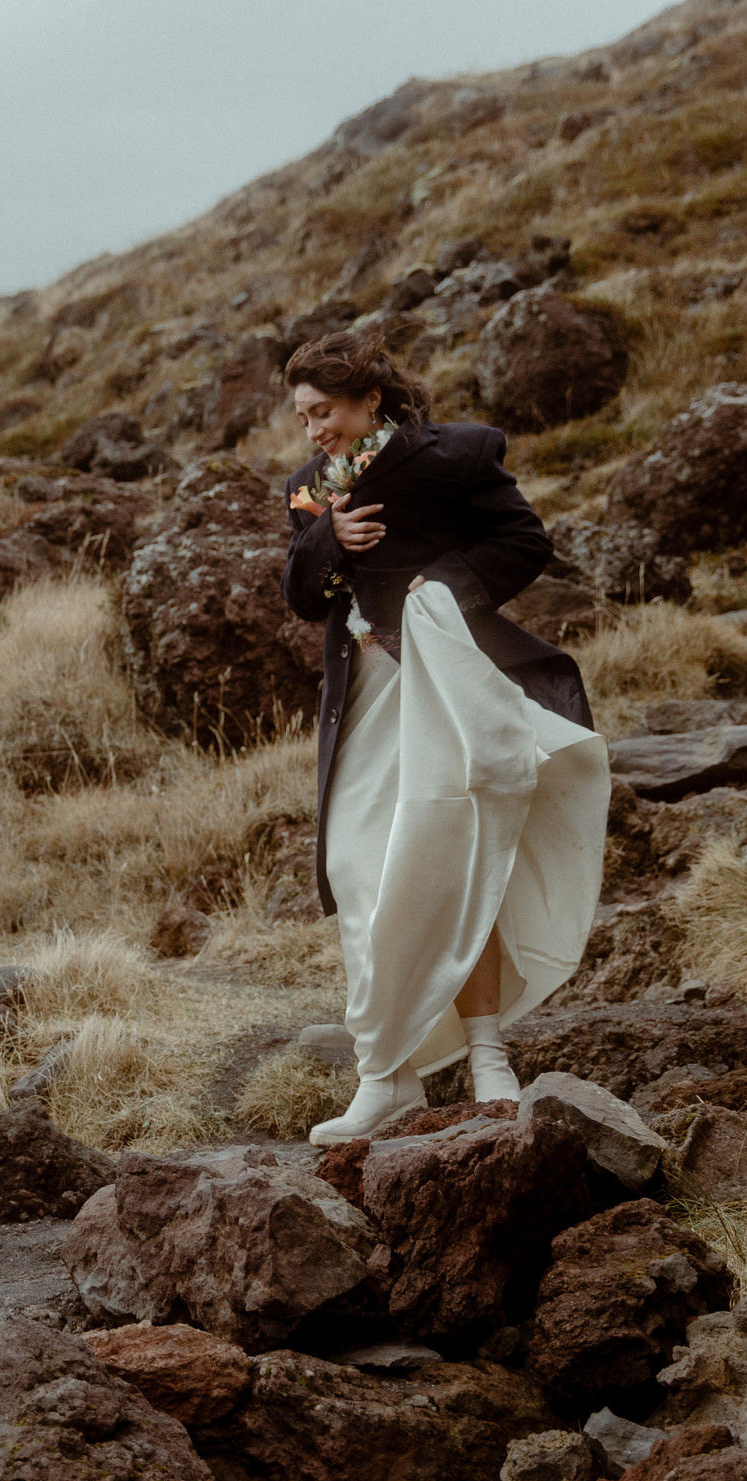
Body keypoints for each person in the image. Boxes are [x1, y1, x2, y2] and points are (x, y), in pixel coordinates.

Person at [279, 332, 607, 1143]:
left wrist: (445, 586)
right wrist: (330, 541)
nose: (313, 430)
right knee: (359, 871)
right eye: (303, 417)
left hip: (448, 690)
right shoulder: (309, 486)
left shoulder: (458, 456)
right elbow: (298, 590)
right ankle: (385, 1078)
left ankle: (490, 1057)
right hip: (364, 699)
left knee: (458, 858)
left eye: (323, 412)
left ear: (368, 401)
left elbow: (526, 542)